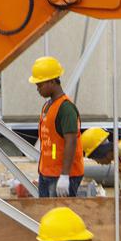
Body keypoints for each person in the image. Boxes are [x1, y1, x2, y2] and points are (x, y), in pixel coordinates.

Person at [29, 56, 84, 198]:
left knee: (59, 211)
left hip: (61, 175)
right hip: (47, 173)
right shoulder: (47, 106)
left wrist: (65, 176)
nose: (37, 89)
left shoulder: (66, 109)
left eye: (40, 85)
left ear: (52, 82)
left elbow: (71, 141)